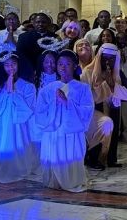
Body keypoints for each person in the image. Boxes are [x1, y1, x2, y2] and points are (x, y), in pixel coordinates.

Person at [35, 50, 93, 192]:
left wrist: (67, 103)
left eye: (68, 64)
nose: (63, 67)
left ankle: (71, 180)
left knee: (71, 156)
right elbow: (40, 112)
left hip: (72, 132)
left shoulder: (83, 88)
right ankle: (54, 180)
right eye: (60, 64)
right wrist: (55, 103)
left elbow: (87, 110)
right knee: (55, 155)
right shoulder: (47, 89)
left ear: (74, 66)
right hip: (54, 131)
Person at [0, 53, 37, 183]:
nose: (10, 67)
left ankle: (15, 169)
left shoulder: (27, 86)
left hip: (18, 126)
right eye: (6, 64)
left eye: (13, 64)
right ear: (1, 66)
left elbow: (29, 109)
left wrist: (13, 93)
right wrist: (6, 92)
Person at [81, 43, 127, 167]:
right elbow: (87, 97)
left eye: (112, 59)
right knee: (103, 126)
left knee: (113, 128)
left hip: (111, 108)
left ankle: (111, 159)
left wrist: (113, 85)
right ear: (99, 57)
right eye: (105, 58)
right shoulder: (88, 72)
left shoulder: (117, 73)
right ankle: (94, 160)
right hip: (92, 111)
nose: (108, 62)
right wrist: (105, 86)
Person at [16, 12, 53, 82]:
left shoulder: (54, 37)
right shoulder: (24, 37)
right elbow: (20, 56)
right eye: (38, 22)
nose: (40, 24)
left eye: (43, 22)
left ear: (48, 23)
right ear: (33, 23)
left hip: (49, 73)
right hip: (29, 72)